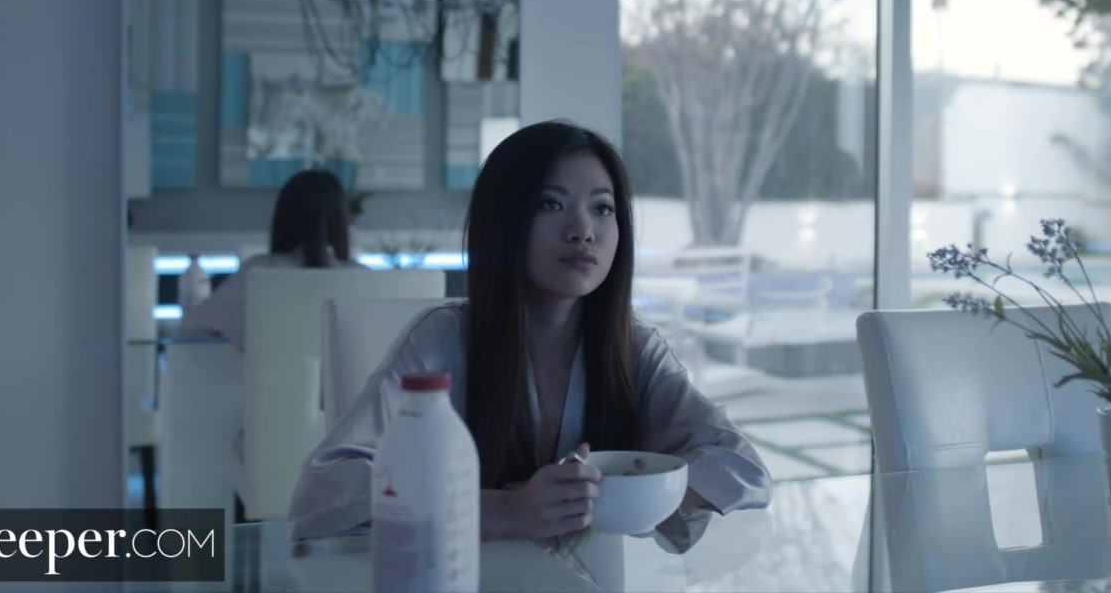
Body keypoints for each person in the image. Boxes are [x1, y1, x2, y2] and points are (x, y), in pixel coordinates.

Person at [288, 121, 771, 552]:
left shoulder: (635, 350)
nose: (582, 230)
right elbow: (324, 489)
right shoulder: (444, 339)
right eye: (551, 203)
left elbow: (743, 469)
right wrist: (510, 510)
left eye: (602, 208)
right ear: (504, 220)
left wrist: (612, 491)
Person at [178, 169, 361, 349]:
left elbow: (191, 327)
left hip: (268, 370)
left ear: (284, 218)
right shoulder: (362, 277)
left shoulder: (257, 272)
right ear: (341, 221)